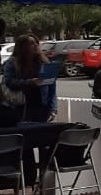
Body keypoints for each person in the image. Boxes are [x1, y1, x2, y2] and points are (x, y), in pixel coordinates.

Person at [1, 34, 58, 186]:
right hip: (21, 108)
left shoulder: (44, 62)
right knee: (24, 144)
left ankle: (44, 178)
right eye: (30, 44)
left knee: (44, 143)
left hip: (41, 107)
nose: (34, 46)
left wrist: (53, 109)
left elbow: (52, 87)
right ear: (22, 47)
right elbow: (9, 82)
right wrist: (28, 83)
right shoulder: (12, 64)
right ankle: (28, 178)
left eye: (36, 43)